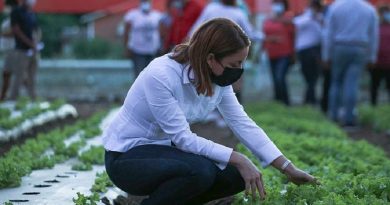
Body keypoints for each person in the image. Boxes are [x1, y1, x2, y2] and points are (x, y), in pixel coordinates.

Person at [103, 18, 317, 205]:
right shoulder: (161, 75)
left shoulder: (218, 80)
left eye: (242, 62)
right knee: (200, 172)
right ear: (211, 58)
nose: (239, 69)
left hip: (165, 154)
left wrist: (287, 167)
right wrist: (238, 157)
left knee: (236, 177)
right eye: (235, 63)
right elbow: (183, 139)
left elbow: (242, 123)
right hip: (127, 158)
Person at [322, 0, 379, 126]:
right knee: (352, 83)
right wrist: (372, 57)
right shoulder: (369, 9)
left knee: (336, 82)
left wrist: (326, 55)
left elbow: (328, 33)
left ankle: (334, 116)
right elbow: (373, 35)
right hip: (360, 47)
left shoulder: (336, 7)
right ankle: (349, 118)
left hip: (339, 46)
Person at [263, 0, 295, 105]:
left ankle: (285, 102)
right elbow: (264, 35)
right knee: (275, 79)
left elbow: (293, 36)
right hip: (271, 54)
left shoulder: (288, 18)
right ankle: (277, 101)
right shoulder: (268, 18)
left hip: (284, 53)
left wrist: (294, 54)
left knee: (279, 77)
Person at [293, 0, 324, 105]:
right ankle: (310, 100)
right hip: (307, 51)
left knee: (313, 78)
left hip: (313, 50)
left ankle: (309, 100)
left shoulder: (318, 18)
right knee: (310, 77)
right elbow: (296, 23)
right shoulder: (307, 17)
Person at [9, 0, 41, 100]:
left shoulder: (31, 13)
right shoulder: (16, 12)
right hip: (21, 50)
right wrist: (30, 43)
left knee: (32, 77)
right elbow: (16, 30)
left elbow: (37, 29)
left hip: (33, 51)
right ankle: (13, 100)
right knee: (19, 77)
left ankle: (33, 99)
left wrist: (36, 42)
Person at [123, 0, 162, 79]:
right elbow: (126, 32)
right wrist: (126, 47)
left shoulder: (157, 15)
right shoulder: (132, 15)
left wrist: (161, 46)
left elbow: (162, 32)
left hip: (153, 50)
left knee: (153, 75)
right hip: (138, 51)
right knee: (139, 76)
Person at [369, 4, 390, 105]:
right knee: (374, 87)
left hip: (388, 63)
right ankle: (373, 106)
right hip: (376, 63)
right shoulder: (374, 27)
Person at [0, 0, 19, 101]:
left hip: (12, 49)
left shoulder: (15, 18)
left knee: (7, 73)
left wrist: (2, 34)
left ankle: (3, 96)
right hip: (8, 50)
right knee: (10, 74)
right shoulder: (9, 18)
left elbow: (15, 32)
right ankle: (5, 95)